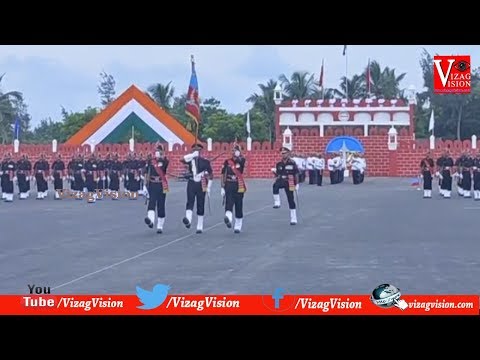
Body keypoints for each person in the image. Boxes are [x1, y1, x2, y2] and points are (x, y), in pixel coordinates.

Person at [181, 143, 213, 234]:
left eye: (198, 150)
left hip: (201, 183)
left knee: (200, 203)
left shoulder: (205, 162)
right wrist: (192, 155)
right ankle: (188, 219)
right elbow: (182, 160)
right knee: (190, 201)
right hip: (191, 182)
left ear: (201, 151)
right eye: (194, 150)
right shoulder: (190, 160)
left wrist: (209, 187)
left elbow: (211, 175)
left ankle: (200, 225)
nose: (196, 152)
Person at [220, 143, 246, 234]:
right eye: (233, 150)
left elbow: (242, 163)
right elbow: (223, 174)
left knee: (239, 205)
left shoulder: (241, 161)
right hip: (229, 184)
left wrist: (239, 154)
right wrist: (222, 187)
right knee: (229, 203)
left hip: (238, 185)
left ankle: (238, 225)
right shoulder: (227, 162)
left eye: (235, 150)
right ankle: (229, 219)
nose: (233, 152)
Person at [144, 144, 169, 234]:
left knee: (161, 204)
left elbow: (165, 163)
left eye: (159, 151)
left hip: (161, 184)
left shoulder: (165, 161)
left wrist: (161, 156)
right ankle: (150, 220)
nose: (157, 152)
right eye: (156, 151)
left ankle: (160, 226)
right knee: (151, 202)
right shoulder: (150, 161)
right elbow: (146, 172)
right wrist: (145, 185)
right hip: (152, 184)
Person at [272, 147, 299, 225]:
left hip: (289, 181)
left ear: (288, 153)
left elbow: (296, 173)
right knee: (275, 185)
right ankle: (277, 202)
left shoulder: (292, 163)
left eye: (285, 153)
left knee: (290, 199)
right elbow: (278, 175)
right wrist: (274, 173)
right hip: (281, 180)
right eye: (282, 153)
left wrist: (297, 184)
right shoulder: (279, 164)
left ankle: (293, 218)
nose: (283, 155)